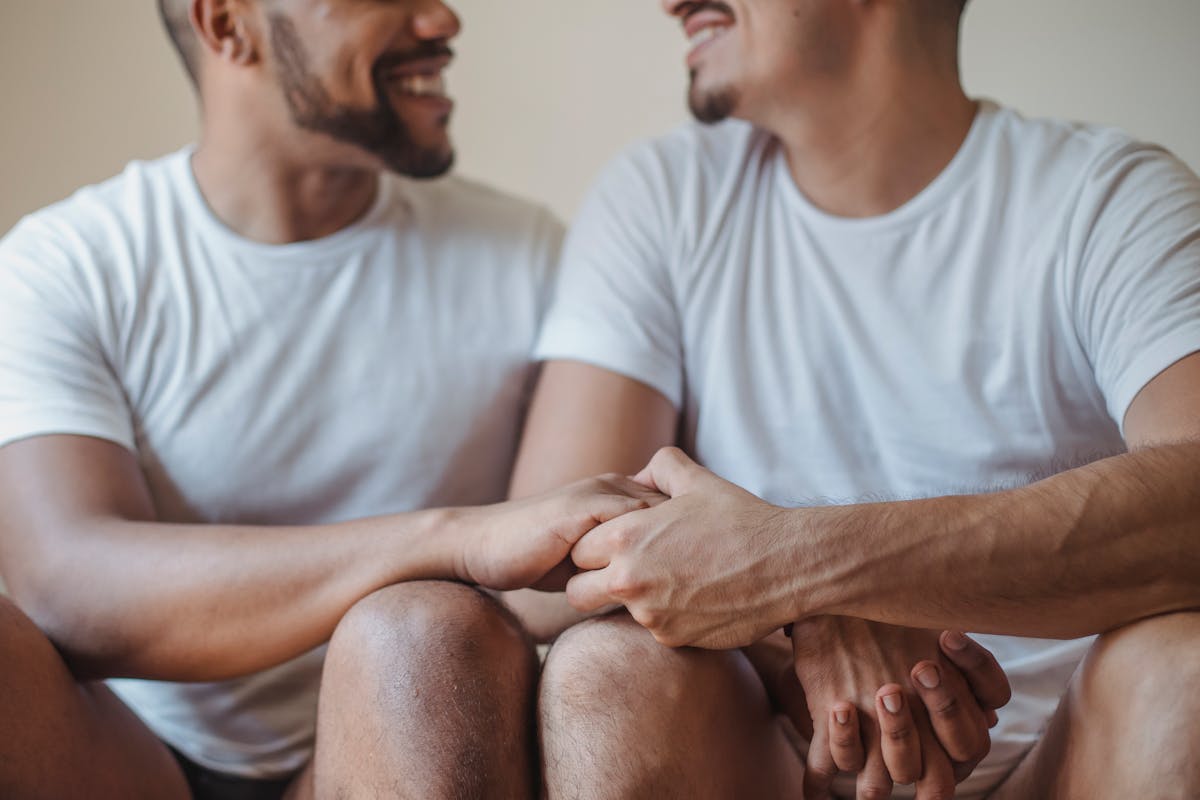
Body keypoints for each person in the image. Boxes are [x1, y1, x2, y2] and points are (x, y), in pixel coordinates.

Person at [512, 0, 1200, 798]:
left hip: (1068, 764)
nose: (671, 3)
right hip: (774, 768)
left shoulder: (1107, 197)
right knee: (607, 670)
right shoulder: (664, 195)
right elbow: (538, 565)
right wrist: (805, 616)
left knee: (1183, 669)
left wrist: (802, 565)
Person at [0, 1, 663, 798]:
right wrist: (450, 539)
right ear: (225, 24)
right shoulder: (66, 267)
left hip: (410, 727)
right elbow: (71, 588)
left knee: (417, 636)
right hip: (139, 763)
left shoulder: (526, 258)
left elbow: (585, 563)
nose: (441, 19)